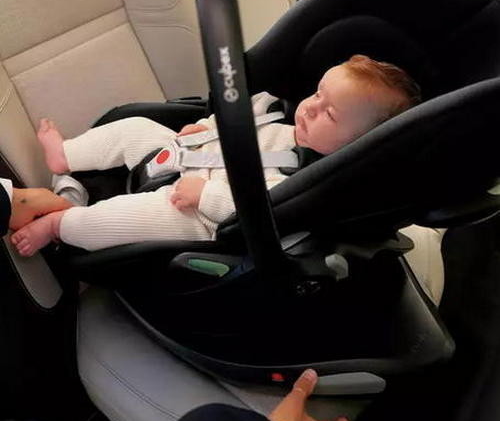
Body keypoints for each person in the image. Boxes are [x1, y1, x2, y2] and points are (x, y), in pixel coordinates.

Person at [11, 55, 421, 255]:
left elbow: (259, 211)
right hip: (184, 155)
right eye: (317, 94)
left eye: (330, 114)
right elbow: (231, 117)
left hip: (197, 213)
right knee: (134, 128)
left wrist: (205, 195)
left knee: (125, 217)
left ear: (357, 145)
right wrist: (204, 128)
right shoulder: (274, 112)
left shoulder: (307, 180)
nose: (312, 108)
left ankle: (62, 224)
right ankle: (67, 156)